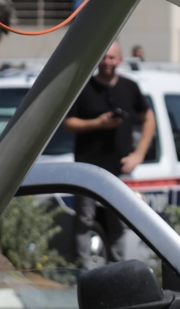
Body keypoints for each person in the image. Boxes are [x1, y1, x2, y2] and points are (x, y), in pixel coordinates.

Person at [63, 43, 156, 268]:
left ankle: (118, 268)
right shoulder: (84, 88)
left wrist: (139, 154)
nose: (107, 62)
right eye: (104, 58)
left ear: (120, 60)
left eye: (112, 58)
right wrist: (98, 123)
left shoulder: (129, 87)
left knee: (118, 221)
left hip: (119, 169)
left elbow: (149, 118)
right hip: (87, 168)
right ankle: (85, 269)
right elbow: (67, 122)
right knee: (85, 219)